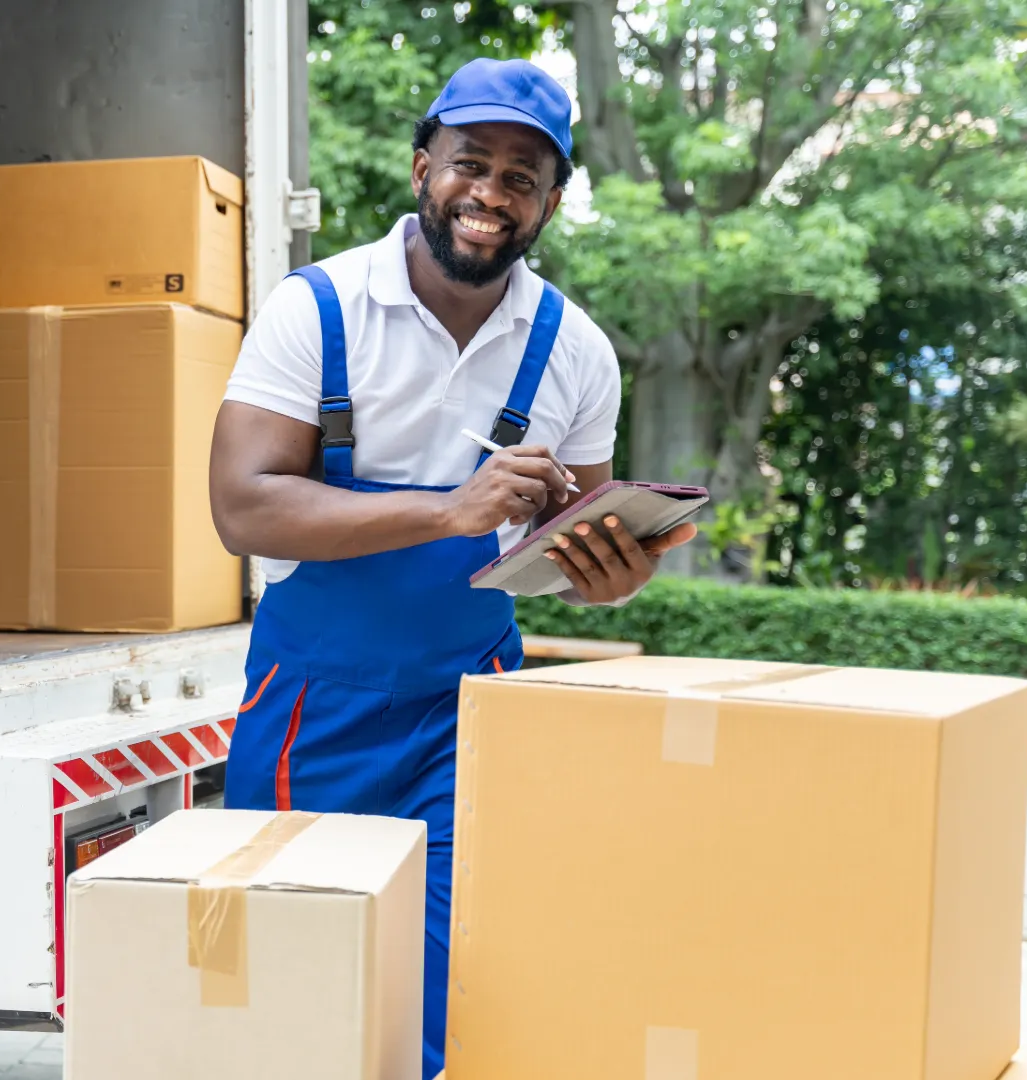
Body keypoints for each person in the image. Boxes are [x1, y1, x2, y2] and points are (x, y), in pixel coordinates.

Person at [208, 57, 698, 1077]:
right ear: (423, 166)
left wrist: (610, 570)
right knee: (294, 977)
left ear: (551, 202)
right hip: (316, 706)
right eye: (471, 163)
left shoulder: (578, 353)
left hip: (475, 713)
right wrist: (448, 510)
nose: (491, 194)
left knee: (454, 987)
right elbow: (242, 506)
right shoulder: (318, 310)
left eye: (523, 177)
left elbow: (566, 542)